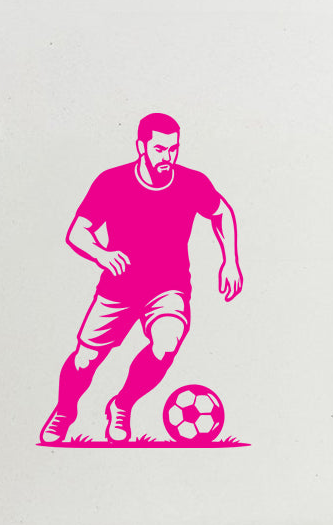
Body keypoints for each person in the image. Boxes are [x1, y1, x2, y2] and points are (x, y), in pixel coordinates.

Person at [40, 113, 243, 445]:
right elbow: (78, 232)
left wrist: (230, 262)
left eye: (173, 149)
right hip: (119, 289)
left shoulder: (192, 183)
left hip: (168, 288)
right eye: (160, 149)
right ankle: (64, 411)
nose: (167, 157)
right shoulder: (112, 182)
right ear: (141, 146)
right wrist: (102, 255)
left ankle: (122, 405)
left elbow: (221, 212)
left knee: (166, 345)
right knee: (85, 359)